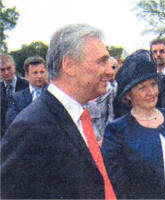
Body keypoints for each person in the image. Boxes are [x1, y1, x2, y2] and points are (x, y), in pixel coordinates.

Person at [1, 23, 117, 199]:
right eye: (102, 61)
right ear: (69, 65)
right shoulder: (31, 126)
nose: (110, 70)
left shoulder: (78, 115)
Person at [101, 49, 165, 199]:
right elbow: (118, 183)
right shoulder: (117, 130)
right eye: (142, 88)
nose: (151, 92)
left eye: (153, 84)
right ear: (128, 95)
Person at [6, 56, 48, 128]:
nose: (39, 76)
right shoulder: (16, 99)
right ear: (27, 75)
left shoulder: (54, 93)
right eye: (35, 73)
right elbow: (12, 124)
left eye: (42, 72)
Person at [85, 56, 119, 146]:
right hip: (88, 141)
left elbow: (111, 115)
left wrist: (105, 138)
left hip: (106, 138)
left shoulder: (110, 90)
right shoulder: (83, 90)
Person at [0, 54, 29, 137]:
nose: (6, 72)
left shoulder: (27, 86)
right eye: (2, 70)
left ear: (14, 67)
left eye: (9, 68)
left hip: (25, 134)